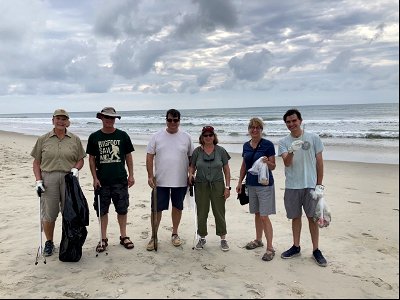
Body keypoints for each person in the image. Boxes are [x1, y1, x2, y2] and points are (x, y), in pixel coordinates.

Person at [31, 109, 86, 257]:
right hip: (49, 178)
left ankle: (70, 241)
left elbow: (81, 158)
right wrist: (38, 180)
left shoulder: (74, 139)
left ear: (68, 122)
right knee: (49, 213)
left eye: (64, 119)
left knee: (71, 212)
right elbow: (36, 162)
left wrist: (76, 168)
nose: (61, 121)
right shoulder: (43, 139)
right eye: (58, 119)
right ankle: (49, 242)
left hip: (70, 179)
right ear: (53, 120)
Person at [278, 108, 327, 267]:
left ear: (300, 120)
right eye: (288, 122)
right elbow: (287, 162)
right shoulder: (284, 142)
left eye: (294, 121)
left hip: (310, 185)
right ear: (286, 124)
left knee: (313, 218)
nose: (291, 124)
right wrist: (292, 150)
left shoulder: (313, 138)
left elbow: (319, 162)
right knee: (295, 217)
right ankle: (296, 246)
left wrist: (319, 184)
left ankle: (316, 250)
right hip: (292, 186)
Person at [86, 107, 135, 252]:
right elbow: (91, 159)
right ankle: (103, 238)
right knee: (102, 210)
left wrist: (131, 175)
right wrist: (94, 178)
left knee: (122, 209)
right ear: (101, 118)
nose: (109, 120)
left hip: (120, 179)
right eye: (106, 117)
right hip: (102, 181)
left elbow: (128, 156)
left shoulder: (123, 135)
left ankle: (124, 236)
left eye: (112, 118)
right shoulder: (94, 137)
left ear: (115, 120)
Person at [146, 109, 194, 251]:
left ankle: (175, 233)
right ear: (166, 120)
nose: (172, 123)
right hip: (160, 181)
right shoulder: (157, 136)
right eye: (170, 120)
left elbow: (192, 158)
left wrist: (191, 173)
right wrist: (150, 175)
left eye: (175, 120)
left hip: (180, 180)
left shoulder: (186, 137)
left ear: (179, 121)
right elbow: (149, 156)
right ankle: (154, 236)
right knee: (156, 209)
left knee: (177, 207)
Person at [235, 117, 276, 261]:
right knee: (257, 214)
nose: (254, 130)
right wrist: (240, 182)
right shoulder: (246, 145)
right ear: (249, 130)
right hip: (251, 184)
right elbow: (244, 165)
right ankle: (258, 240)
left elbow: (273, 166)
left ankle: (270, 248)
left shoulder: (268, 145)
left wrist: (267, 162)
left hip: (264, 185)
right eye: (252, 127)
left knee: (264, 216)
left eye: (258, 127)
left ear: (261, 129)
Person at [189, 126, 232, 252]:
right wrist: (190, 174)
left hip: (218, 185)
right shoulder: (197, 151)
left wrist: (227, 187)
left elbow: (226, 170)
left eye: (210, 135)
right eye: (205, 135)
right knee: (202, 212)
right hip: (201, 185)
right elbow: (192, 167)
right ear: (202, 137)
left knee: (219, 212)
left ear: (214, 136)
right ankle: (202, 237)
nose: (208, 137)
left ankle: (223, 239)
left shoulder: (221, 151)